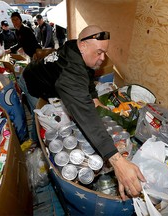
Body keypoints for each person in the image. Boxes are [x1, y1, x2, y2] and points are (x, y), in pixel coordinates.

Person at [23, 25, 146, 200]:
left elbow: (88, 75)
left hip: (50, 81)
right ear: (83, 46)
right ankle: (35, 155)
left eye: (105, 53)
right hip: (32, 84)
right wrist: (117, 161)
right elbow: (86, 116)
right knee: (39, 122)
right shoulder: (70, 72)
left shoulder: (78, 49)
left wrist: (95, 99)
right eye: (99, 52)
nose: (103, 58)